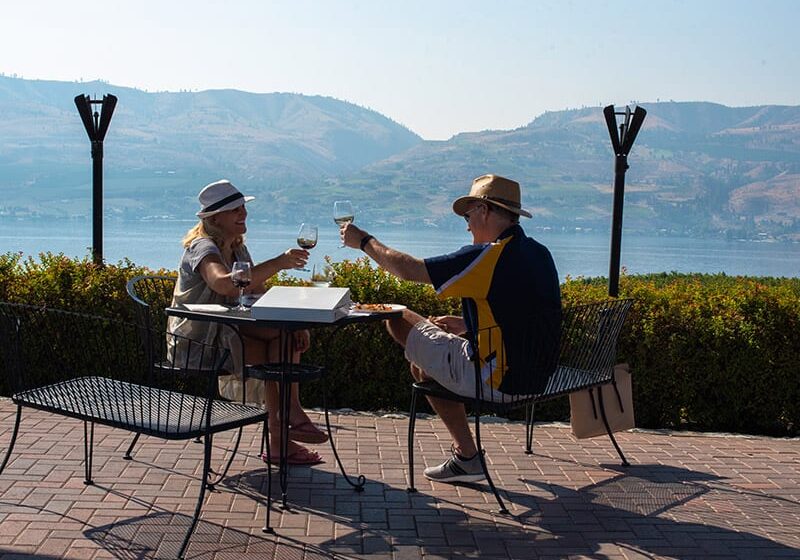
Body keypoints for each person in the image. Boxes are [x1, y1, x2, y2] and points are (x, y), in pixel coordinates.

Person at [340, 174, 561, 483]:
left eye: (469, 215)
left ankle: (469, 457)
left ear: (484, 210)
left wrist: (364, 241)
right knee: (423, 368)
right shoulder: (538, 253)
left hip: (501, 380)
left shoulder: (490, 256)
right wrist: (468, 325)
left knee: (397, 317)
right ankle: (466, 458)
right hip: (538, 375)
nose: (467, 224)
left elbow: (408, 270)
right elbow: (522, 314)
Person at [169, 179, 327, 465]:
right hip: (199, 341)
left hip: (229, 332)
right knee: (277, 348)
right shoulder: (201, 247)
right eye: (235, 210)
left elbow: (256, 291)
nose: (243, 214)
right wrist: (279, 262)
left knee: (283, 342)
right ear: (215, 218)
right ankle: (286, 423)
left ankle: (282, 432)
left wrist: (296, 322)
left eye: (243, 208)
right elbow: (224, 284)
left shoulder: (237, 249)